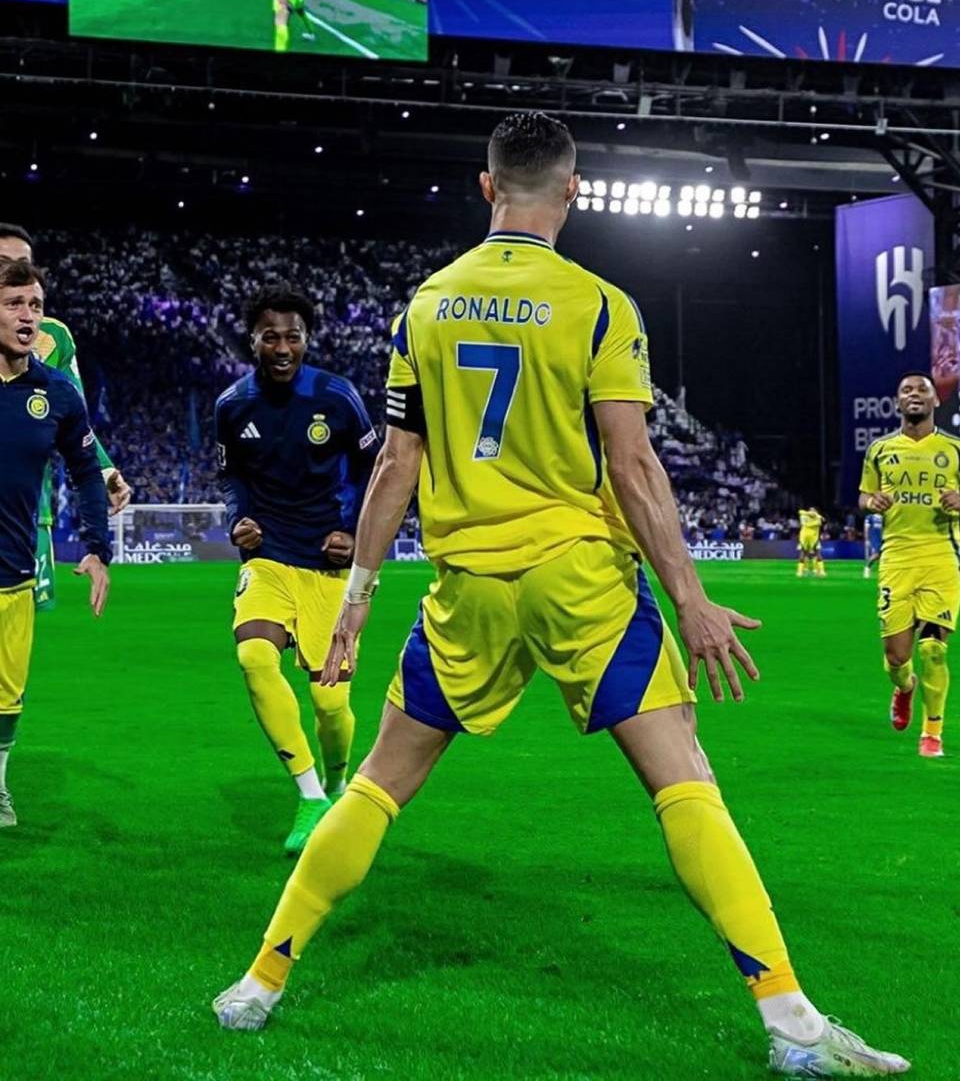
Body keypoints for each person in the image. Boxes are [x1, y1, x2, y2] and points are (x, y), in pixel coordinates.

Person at [213, 114, 908, 1076]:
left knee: (377, 784)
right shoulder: (599, 305)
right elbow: (632, 463)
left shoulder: (425, 304)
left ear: (487, 188)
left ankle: (259, 981)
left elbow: (396, 467)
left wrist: (360, 595)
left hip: (468, 590)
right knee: (683, 781)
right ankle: (791, 1023)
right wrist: (692, 597)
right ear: (572, 192)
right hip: (581, 579)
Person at [214, 284, 378, 855]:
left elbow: (375, 471)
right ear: (252, 341)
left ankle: (336, 782)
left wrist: (355, 533)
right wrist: (240, 521)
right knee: (254, 657)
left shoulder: (339, 398)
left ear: (307, 339)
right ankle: (310, 796)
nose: (282, 347)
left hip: (326, 566)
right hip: (269, 559)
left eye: (293, 336)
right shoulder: (232, 405)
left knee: (331, 704)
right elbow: (232, 476)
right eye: (270, 336)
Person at [0, 259, 112, 828]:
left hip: (12, 571)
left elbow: (87, 471)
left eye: (36, 306)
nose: (28, 317)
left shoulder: (58, 392)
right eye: (15, 304)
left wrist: (97, 548)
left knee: (5, 694)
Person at [0, 224, 129, 609]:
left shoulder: (53, 338)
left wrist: (105, 472)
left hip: (22, 518)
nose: (13, 273)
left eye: (22, 265)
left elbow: (75, 419)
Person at [859, 372, 959, 758]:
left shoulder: (954, 449)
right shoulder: (880, 449)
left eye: (922, 390)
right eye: (906, 391)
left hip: (941, 557)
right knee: (898, 657)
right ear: (897, 404)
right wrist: (873, 503)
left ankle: (932, 731)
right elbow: (865, 496)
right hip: (897, 559)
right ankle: (904, 687)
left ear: (935, 401)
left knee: (935, 649)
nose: (914, 395)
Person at [796, 506, 825, 578]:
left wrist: (815, 518)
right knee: (803, 553)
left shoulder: (818, 519)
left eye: (814, 510)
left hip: (814, 538)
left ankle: (821, 571)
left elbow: (819, 523)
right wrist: (817, 516)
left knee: (817, 554)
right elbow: (800, 512)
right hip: (804, 537)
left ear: (816, 511)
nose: (812, 511)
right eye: (810, 510)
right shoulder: (806, 516)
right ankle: (800, 571)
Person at [863, 510, 883, 580]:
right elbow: (866, 528)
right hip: (874, 538)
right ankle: (867, 567)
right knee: (877, 554)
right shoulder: (870, 517)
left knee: (881, 555)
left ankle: (881, 573)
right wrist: (867, 539)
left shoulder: (883, 516)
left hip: (882, 537)